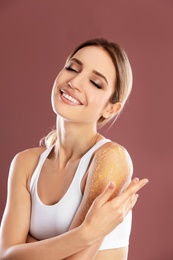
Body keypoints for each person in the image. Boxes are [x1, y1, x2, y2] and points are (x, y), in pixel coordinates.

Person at [0, 38, 148, 260]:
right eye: (72, 68)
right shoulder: (26, 164)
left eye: (95, 83)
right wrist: (87, 232)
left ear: (110, 108)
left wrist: (29, 246)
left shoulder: (111, 159)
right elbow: (7, 255)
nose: (75, 82)